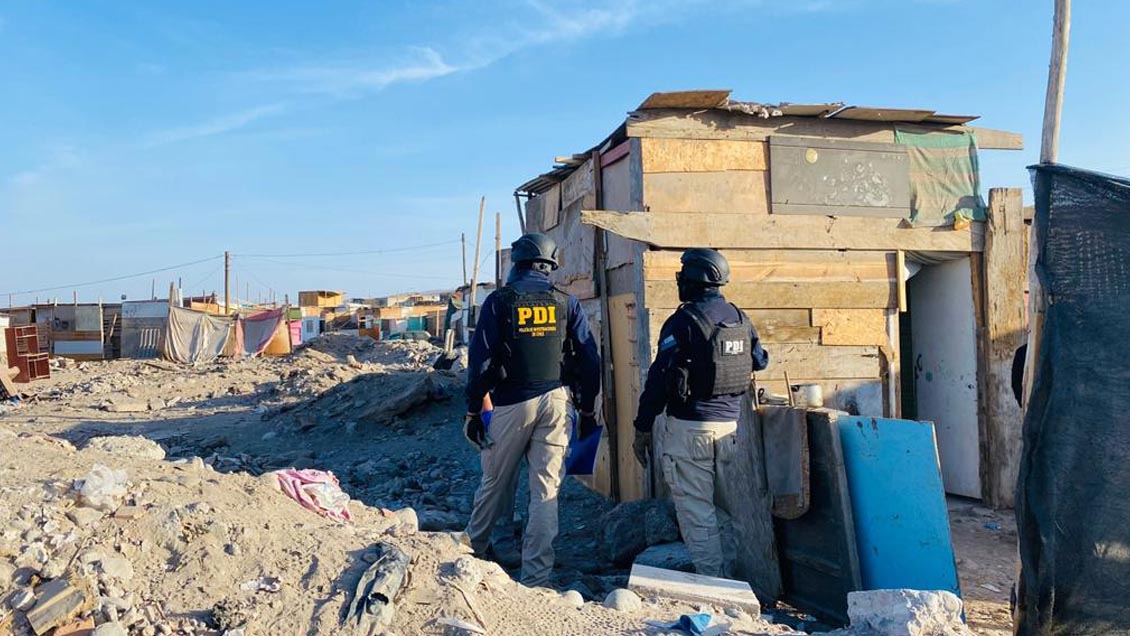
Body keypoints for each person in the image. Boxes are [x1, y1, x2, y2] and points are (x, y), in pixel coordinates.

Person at [462, 232, 601, 587]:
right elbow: (589, 359)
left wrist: (474, 411)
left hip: (512, 403)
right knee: (545, 492)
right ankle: (537, 578)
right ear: (550, 266)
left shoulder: (499, 301)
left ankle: (469, 555)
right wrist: (587, 410)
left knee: (494, 482)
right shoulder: (566, 303)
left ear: (517, 263)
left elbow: (480, 362)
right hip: (557, 402)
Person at [632, 248, 768, 578]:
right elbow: (760, 360)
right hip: (730, 432)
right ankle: (733, 580)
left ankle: (714, 585)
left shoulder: (684, 322)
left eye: (683, 276)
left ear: (694, 280)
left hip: (690, 432)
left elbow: (658, 380)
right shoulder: (739, 318)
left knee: (698, 514)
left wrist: (643, 426)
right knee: (724, 513)